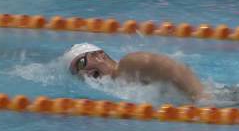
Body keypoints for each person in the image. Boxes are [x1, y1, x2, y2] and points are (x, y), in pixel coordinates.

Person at [64, 43, 208, 102]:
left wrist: (203, 100)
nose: (83, 72)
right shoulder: (116, 88)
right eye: (77, 72)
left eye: (81, 63)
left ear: (99, 55)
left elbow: (175, 69)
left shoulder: (129, 64)